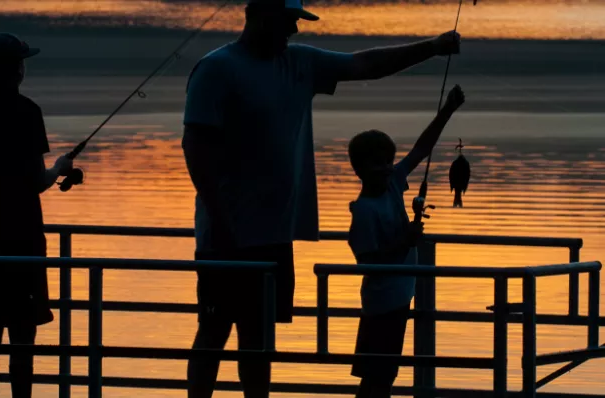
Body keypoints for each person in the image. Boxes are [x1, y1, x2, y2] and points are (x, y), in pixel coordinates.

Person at [181, 0, 462, 396]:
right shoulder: (216, 69)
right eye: (288, 21)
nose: (293, 31)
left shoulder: (299, 63)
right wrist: (222, 221)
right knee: (213, 331)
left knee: (259, 340)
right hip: (224, 237)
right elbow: (195, 148)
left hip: (275, 235)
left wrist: (432, 46)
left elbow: (364, 64)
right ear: (261, 16)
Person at [0, 32, 73, 398]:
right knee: (23, 334)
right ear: (16, 70)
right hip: (23, 238)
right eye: (21, 61)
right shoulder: (27, 111)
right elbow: (37, 181)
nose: (24, 67)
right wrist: (59, 168)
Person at [347, 85, 466, 398]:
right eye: (378, 164)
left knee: (384, 375)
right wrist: (405, 241)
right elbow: (368, 262)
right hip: (381, 305)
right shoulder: (363, 211)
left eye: (389, 161)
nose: (387, 168)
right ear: (359, 169)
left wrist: (448, 110)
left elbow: (421, 149)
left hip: (399, 299)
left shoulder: (393, 184)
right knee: (378, 378)